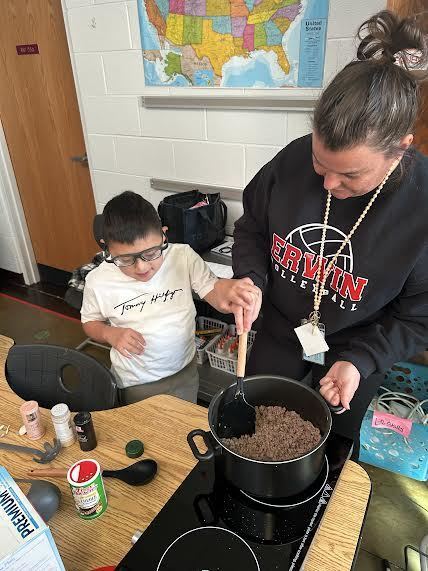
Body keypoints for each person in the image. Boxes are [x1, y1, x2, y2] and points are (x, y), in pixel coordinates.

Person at [230, 10, 428, 458]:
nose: (328, 185)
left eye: (350, 175)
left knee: (333, 453)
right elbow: (252, 230)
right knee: (255, 432)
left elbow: (419, 317)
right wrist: (249, 281)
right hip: (280, 332)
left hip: (355, 351)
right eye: (321, 163)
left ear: (400, 150)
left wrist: (362, 361)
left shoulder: (420, 208)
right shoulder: (292, 160)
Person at [81, 191, 258, 405]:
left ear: (164, 235)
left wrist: (229, 289)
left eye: (151, 253)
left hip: (185, 371)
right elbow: (90, 322)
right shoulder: (98, 280)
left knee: (182, 430)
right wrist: (110, 333)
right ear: (107, 248)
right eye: (126, 259)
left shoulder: (182, 257)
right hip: (136, 382)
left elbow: (214, 292)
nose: (142, 267)